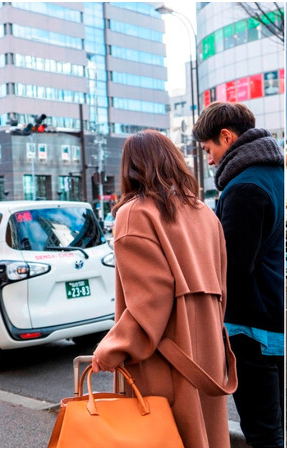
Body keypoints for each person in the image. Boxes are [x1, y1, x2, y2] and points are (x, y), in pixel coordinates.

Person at [92, 130, 237, 448]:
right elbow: (221, 287)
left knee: (163, 436)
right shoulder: (203, 212)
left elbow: (150, 301)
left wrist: (111, 349)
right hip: (207, 355)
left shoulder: (135, 214)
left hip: (166, 358)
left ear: (131, 167)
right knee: (206, 437)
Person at [192, 102, 285, 448]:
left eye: (209, 149)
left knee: (262, 431)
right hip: (273, 317)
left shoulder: (243, 188)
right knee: (276, 426)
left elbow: (232, 266)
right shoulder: (274, 172)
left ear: (226, 137)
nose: (210, 159)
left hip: (251, 328)